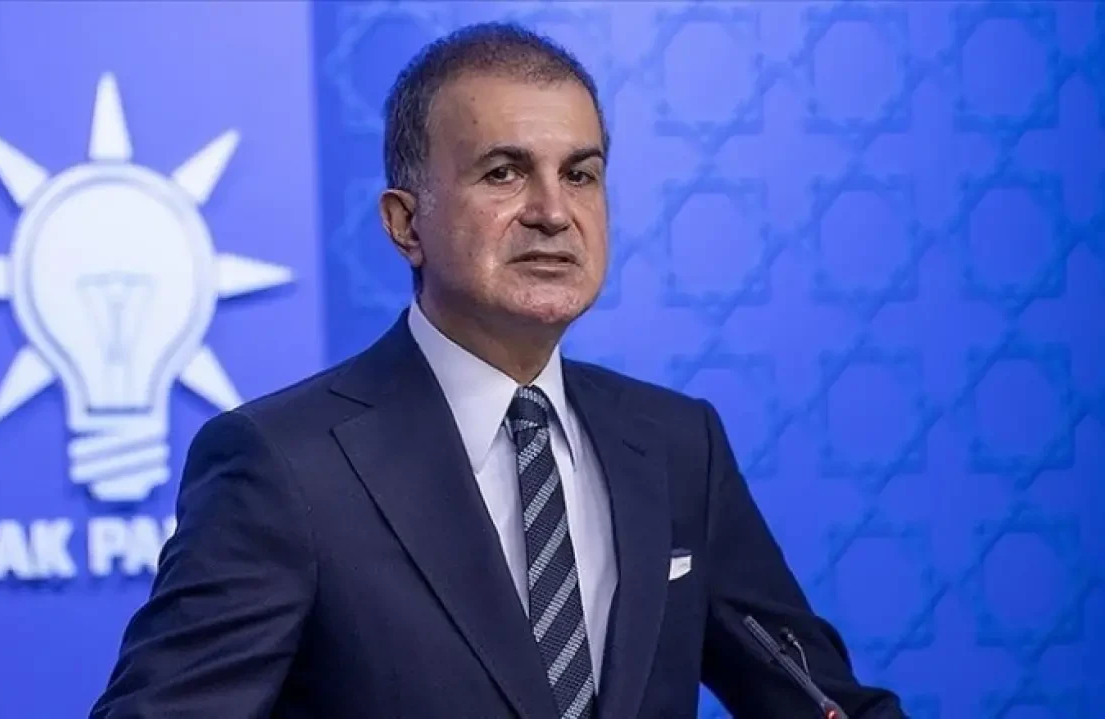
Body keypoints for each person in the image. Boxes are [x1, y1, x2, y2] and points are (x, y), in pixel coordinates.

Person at [91, 22, 906, 719]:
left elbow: (818, 698)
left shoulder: (677, 444)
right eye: (504, 172)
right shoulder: (284, 466)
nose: (553, 212)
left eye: (580, 174)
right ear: (406, 224)